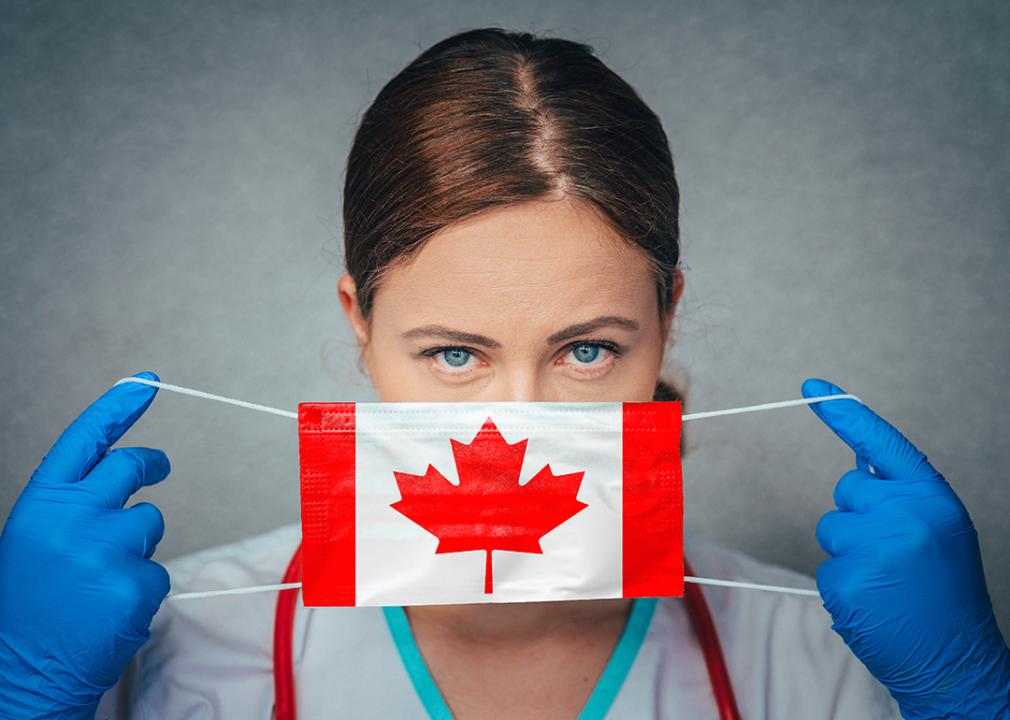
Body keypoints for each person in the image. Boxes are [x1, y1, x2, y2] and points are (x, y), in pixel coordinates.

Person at [2, 26, 1008, 720]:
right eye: (453, 354)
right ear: (359, 324)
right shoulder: (160, 650)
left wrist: (966, 700)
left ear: (665, 322)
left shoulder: (828, 660)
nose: (515, 427)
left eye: (585, 350)